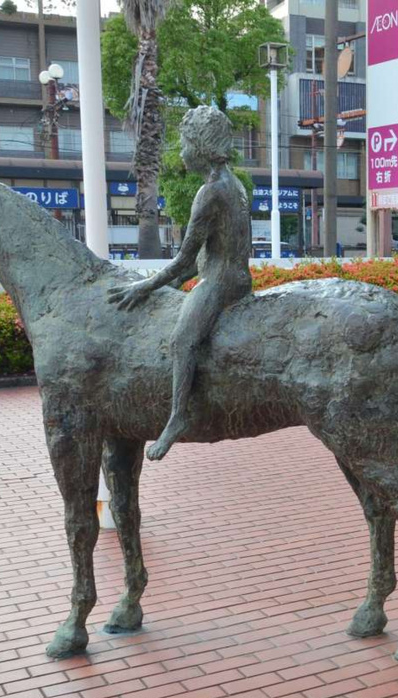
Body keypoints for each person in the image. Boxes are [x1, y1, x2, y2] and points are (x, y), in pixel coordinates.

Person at [107, 106, 253, 461]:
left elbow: (185, 261)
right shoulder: (230, 182)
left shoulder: (211, 192)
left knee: (182, 340)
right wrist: (163, 287)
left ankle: (177, 417)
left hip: (221, 282)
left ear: (201, 146)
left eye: (186, 143)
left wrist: (143, 287)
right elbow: (202, 258)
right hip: (229, 274)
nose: (182, 151)